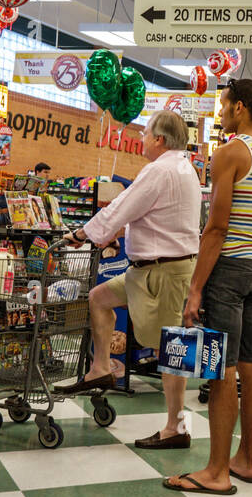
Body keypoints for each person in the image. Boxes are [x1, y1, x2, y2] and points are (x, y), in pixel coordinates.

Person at [165, 78, 252, 495]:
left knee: (221, 369)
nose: (219, 113)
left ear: (239, 107)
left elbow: (216, 227)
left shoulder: (230, 153)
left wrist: (196, 288)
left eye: (222, 106)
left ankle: (216, 472)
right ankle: (244, 461)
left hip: (229, 270)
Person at [55, 111, 201, 450]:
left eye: (147, 133)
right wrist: (120, 236)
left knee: (173, 349)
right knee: (98, 298)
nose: (142, 139)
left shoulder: (160, 169)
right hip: (147, 269)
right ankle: (101, 367)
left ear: (160, 140)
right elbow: (147, 215)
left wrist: (83, 233)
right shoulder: (184, 168)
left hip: (163, 272)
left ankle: (176, 427)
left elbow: (121, 207)